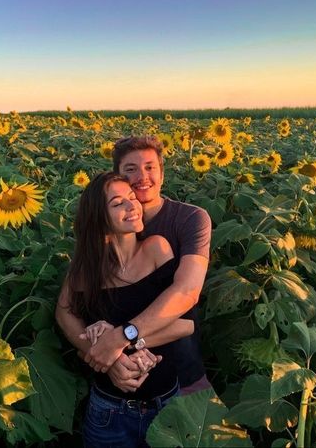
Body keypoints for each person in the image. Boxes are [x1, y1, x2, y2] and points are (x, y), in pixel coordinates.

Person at [56, 136, 212, 395]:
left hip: (182, 372)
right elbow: (65, 311)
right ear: (116, 176)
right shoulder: (101, 238)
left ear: (162, 173)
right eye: (131, 169)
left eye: (150, 167)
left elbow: (187, 294)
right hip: (116, 389)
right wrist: (109, 358)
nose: (142, 176)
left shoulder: (189, 219)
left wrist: (118, 342)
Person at [63, 171, 195, 447]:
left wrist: (121, 341)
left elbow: (187, 324)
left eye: (132, 198)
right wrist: (104, 356)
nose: (131, 205)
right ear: (99, 217)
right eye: (117, 203)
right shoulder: (87, 270)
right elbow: (64, 313)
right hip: (109, 412)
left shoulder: (156, 249)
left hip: (167, 407)